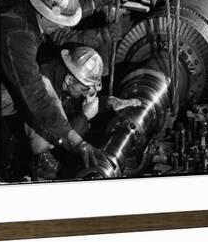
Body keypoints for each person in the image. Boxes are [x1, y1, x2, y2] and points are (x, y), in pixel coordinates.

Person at [0, 0, 104, 173]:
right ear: (44, 13)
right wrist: (75, 140)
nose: (63, 26)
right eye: (60, 21)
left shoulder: (25, 8)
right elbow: (36, 99)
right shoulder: (19, 36)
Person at [26, 46, 141, 180]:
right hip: (26, 149)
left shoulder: (69, 77)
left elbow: (77, 102)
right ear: (69, 80)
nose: (87, 95)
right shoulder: (44, 85)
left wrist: (109, 102)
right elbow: (54, 139)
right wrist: (84, 116)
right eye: (84, 89)